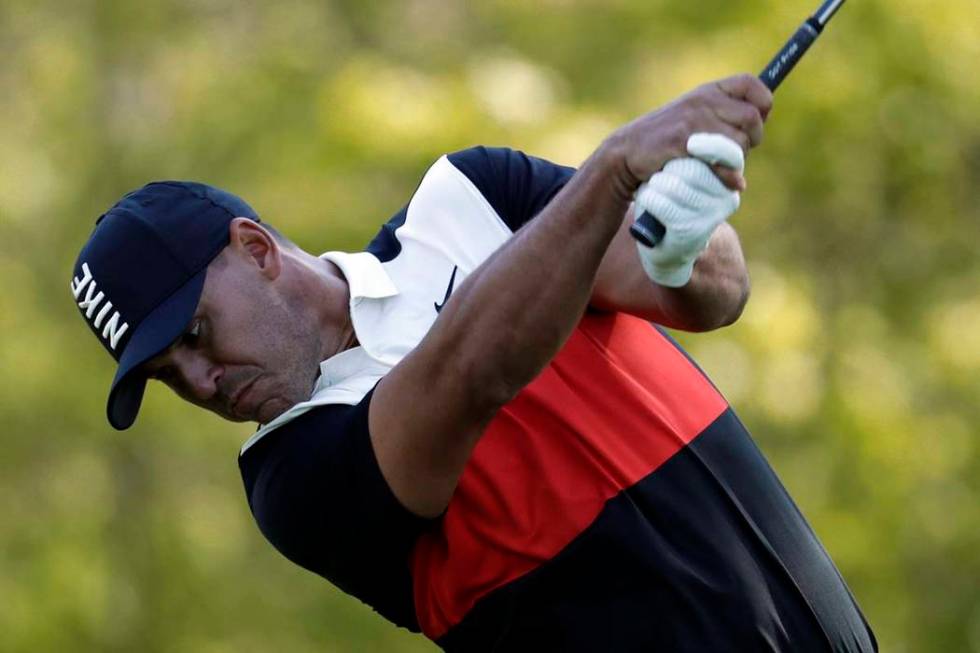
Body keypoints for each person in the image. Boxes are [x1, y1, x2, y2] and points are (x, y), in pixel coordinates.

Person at [70, 74, 877, 651]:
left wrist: (686, 238)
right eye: (171, 374)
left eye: (197, 333)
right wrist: (609, 176)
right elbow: (470, 377)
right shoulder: (290, 477)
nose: (202, 382)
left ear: (255, 248)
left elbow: (719, 293)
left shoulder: (470, 197)